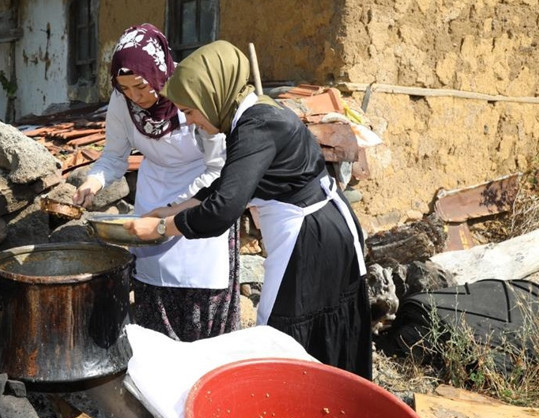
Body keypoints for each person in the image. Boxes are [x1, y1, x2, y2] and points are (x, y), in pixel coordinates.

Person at [125, 40, 372, 379]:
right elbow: (231, 183)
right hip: (318, 228)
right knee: (303, 337)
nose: (192, 121)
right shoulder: (254, 117)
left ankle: (309, 403)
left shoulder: (257, 126)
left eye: (191, 111)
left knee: (285, 336)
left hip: (312, 238)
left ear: (212, 96)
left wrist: (159, 229)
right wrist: (170, 210)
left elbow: (222, 209)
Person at [73, 24, 240, 342]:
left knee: (201, 296)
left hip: (203, 195)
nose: (135, 97)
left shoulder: (192, 88)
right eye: (125, 89)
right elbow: (114, 157)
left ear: (158, 71)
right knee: (154, 292)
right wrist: (92, 183)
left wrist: (176, 210)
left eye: (140, 86)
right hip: (154, 192)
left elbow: (218, 167)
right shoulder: (122, 102)